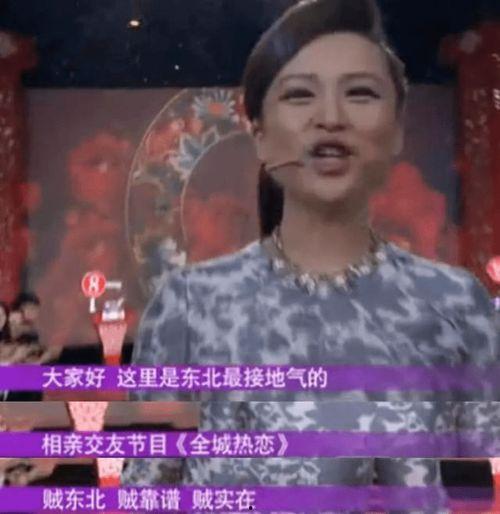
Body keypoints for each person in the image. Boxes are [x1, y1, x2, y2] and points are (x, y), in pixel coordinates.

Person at [122, 0, 499, 507]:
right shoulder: (189, 306)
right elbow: (146, 487)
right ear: (258, 132)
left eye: (360, 93)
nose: (330, 119)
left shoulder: (454, 304)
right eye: (300, 95)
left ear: (396, 130)